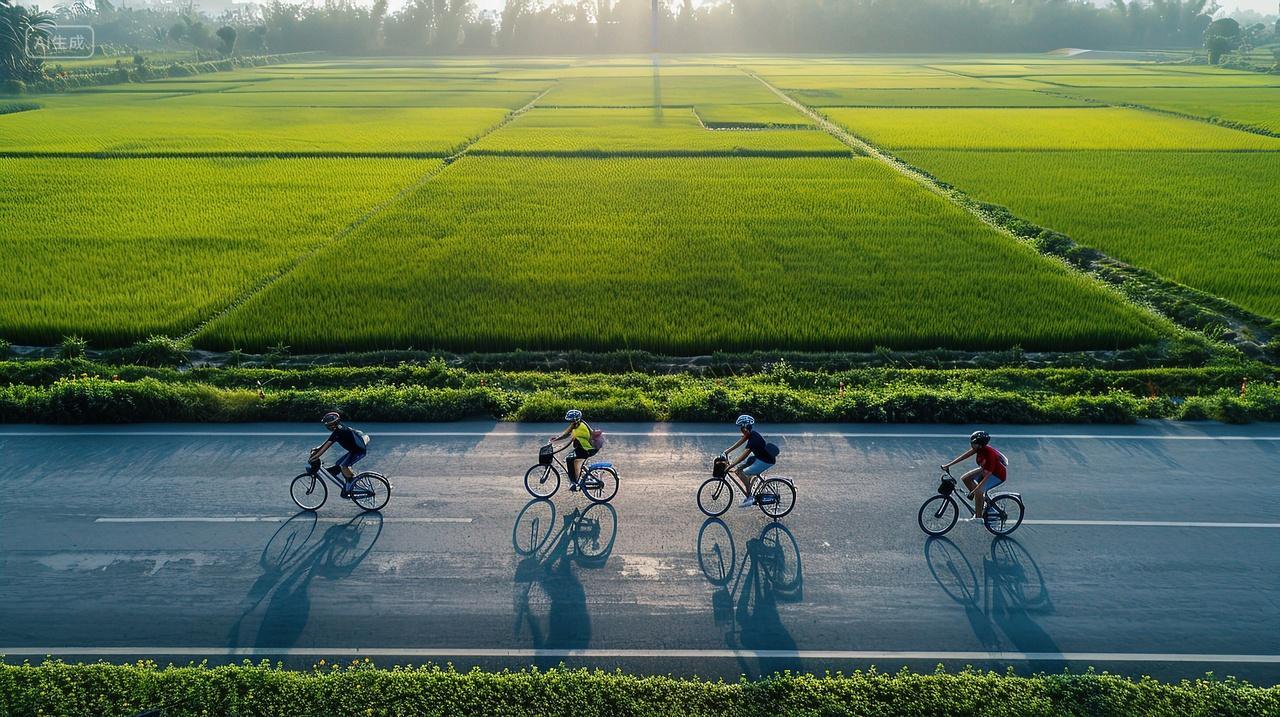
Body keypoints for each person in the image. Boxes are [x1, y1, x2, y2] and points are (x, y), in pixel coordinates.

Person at [941, 430, 1008, 522]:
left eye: (973, 443)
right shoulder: (979, 448)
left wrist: (975, 491)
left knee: (978, 491)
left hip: (996, 475)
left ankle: (978, 517)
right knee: (965, 478)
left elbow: (987, 476)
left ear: (980, 444)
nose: (971, 444)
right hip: (985, 469)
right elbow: (964, 456)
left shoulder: (990, 454)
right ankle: (982, 501)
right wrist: (948, 465)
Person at [722, 414, 776, 508]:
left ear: (746, 427)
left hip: (765, 461)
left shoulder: (753, 440)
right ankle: (750, 489)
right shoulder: (751, 433)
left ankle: (750, 497)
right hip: (760, 457)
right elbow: (741, 441)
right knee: (741, 470)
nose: (741, 431)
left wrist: (730, 466)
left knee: (740, 471)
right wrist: (727, 451)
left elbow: (742, 457)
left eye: (742, 428)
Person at [310, 411, 368, 497]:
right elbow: (328, 441)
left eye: (327, 425)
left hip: (358, 451)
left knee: (344, 466)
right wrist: (318, 448)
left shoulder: (339, 432)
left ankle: (349, 487)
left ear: (331, 425)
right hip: (355, 450)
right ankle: (350, 480)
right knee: (338, 465)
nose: (326, 426)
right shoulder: (339, 428)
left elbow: (326, 447)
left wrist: (314, 457)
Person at [550, 409, 596, 491]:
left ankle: (574, 483)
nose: (570, 422)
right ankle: (584, 475)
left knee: (569, 459)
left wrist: (558, 448)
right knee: (575, 459)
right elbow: (566, 434)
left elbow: (569, 441)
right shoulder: (577, 424)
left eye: (572, 420)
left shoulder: (579, 428)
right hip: (584, 448)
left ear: (576, 420)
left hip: (588, 449)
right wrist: (556, 439)